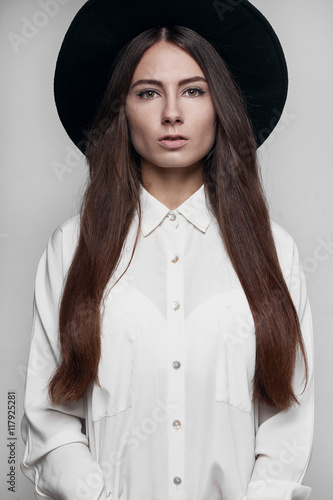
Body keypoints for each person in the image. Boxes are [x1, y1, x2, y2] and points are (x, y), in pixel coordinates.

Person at [20, 1, 314, 499]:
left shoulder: (274, 251)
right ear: (123, 108)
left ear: (219, 104)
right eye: (148, 92)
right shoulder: (73, 247)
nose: (172, 113)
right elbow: (47, 422)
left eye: (194, 91)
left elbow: (288, 422)